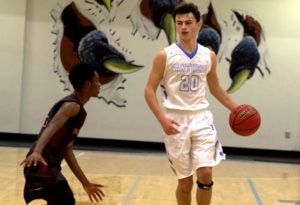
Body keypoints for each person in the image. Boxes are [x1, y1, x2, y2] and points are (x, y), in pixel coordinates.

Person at [144, 2, 238, 205]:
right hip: (175, 121)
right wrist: (162, 120)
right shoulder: (164, 56)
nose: (183, 27)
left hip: (201, 119)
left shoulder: (208, 56)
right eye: (179, 23)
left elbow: (216, 89)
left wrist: (237, 109)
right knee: (185, 183)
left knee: (205, 174)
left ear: (198, 24)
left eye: (188, 22)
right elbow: (149, 90)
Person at [20, 63, 104, 205]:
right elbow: (51, 127)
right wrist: (37, 152)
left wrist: (86, 183)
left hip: (47, 166)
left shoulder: (78, 110)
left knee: (65, 201)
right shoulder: (72, 105)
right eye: (97, 81)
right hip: (41, 165)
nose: (99, 84)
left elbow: (67, 150)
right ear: (87, 84)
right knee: (65, 200)